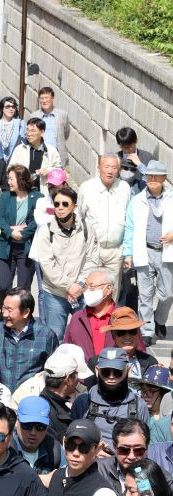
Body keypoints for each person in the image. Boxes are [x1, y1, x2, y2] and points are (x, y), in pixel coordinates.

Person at [34, 185, 99, 340]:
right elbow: (48, 265)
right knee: (54, 337)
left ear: (74, 207)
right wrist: (69, 286)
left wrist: (80, 284)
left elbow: (92, 259)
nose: (60, 208)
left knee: (86, 336)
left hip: (81, 293)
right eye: (56, 204)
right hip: (55, 294)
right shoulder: (45, 230)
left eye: (65, 204)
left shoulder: (86, 228)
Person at [123, 159, 173, 346]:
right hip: (144, 251)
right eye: (149, 175)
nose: (152, 179)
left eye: (156, 176)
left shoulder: (171, 198)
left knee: (167, 293)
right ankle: (147, 330)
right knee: (144, 295)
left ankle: (159, 319)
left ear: (164, 178)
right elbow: (129, 228)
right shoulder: (137, 201)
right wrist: (127, 254)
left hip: (167, 252)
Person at [71, 347, 149, 449]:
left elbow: (146, 447)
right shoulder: (83, 402)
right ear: (97, 371)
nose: (111, 377)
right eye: (106, 372)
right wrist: (93, 453)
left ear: (128, 370)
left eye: (117, 372)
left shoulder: (139, 406)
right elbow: (71, 443)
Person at [0, 287, 59, 391]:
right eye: (3, 307)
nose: (4, 313)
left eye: (9, 309)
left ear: (26, 312)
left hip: (32, 400)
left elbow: (54, 374)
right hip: (1, 400)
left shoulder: (46, 336)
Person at [78, 154, 131, 294]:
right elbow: (79, 218)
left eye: (114, 167)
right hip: (93, 249)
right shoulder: (86, 187)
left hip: (115, 250)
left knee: (112, 291)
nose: (110, 171)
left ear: (118, 170)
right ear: (98, 168)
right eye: (106, 166)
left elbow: (129, 220)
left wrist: (127, 251)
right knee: (91, 289)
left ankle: (110, 316)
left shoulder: (124, 187)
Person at [0, 165, 41, 305]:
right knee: (4, 285)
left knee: (23, 289)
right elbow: (0, 218)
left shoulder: (37, 197)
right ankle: (5, 310)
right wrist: (11, 232)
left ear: (21, 179)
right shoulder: (5, 196)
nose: (8, 182)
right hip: (7, 247)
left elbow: (38, 219)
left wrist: (23, 234)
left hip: (26, 248)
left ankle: (22, 315)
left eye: (11, 179)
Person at [62, 269, 116, 362]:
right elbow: (66, 351)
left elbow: (138, 353)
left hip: (113, 374)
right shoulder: (77, 318)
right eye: (85, 287)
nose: (87, 291)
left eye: (91, 287)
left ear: (108, 289)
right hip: (83, 374)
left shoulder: (124, 316)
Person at [94, 306, 157, 379]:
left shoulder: (150, 362)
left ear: (138, 334)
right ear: (113, 335)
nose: (127, 337)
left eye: (132, 331)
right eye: (121, 332)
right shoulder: (97, 362)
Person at [8, 118, 61, 195]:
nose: (29, 134)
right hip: (23, 192)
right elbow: (10, 168)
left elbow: (59, 170)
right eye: (27, 130)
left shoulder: (51, 150)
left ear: (42, 132)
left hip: (43, 192)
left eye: (33, 131)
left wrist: (48, 170)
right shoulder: (20, 149)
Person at [39, 353, 81, 441]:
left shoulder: (47, 404)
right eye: (76, 373)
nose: (78, 378)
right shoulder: (46, 411)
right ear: (68, 379)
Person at [138, 367, 173, 444]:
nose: (145, 395)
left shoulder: (170, 419)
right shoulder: (138, 415)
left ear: (164, 392)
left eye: (151, 390)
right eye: (143, 390)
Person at [116, 126, 154, 195]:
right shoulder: (115, 158)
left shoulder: (147, 157)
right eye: (124, 147)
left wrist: (140, 165)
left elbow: (154, 180)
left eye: (129, 147)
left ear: (136, 141)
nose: (127, 150)